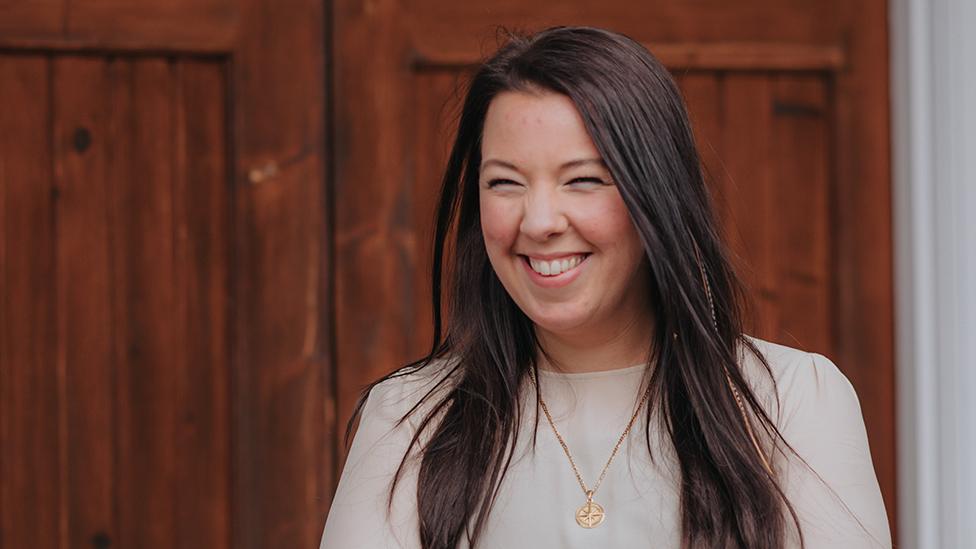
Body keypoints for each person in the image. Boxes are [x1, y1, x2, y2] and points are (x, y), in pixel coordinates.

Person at [319, 26, 891, 549]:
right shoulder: (409, 417)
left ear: (657, 196)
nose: (539, 221)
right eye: (505, 182)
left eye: (584, 180)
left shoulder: (791, 402)